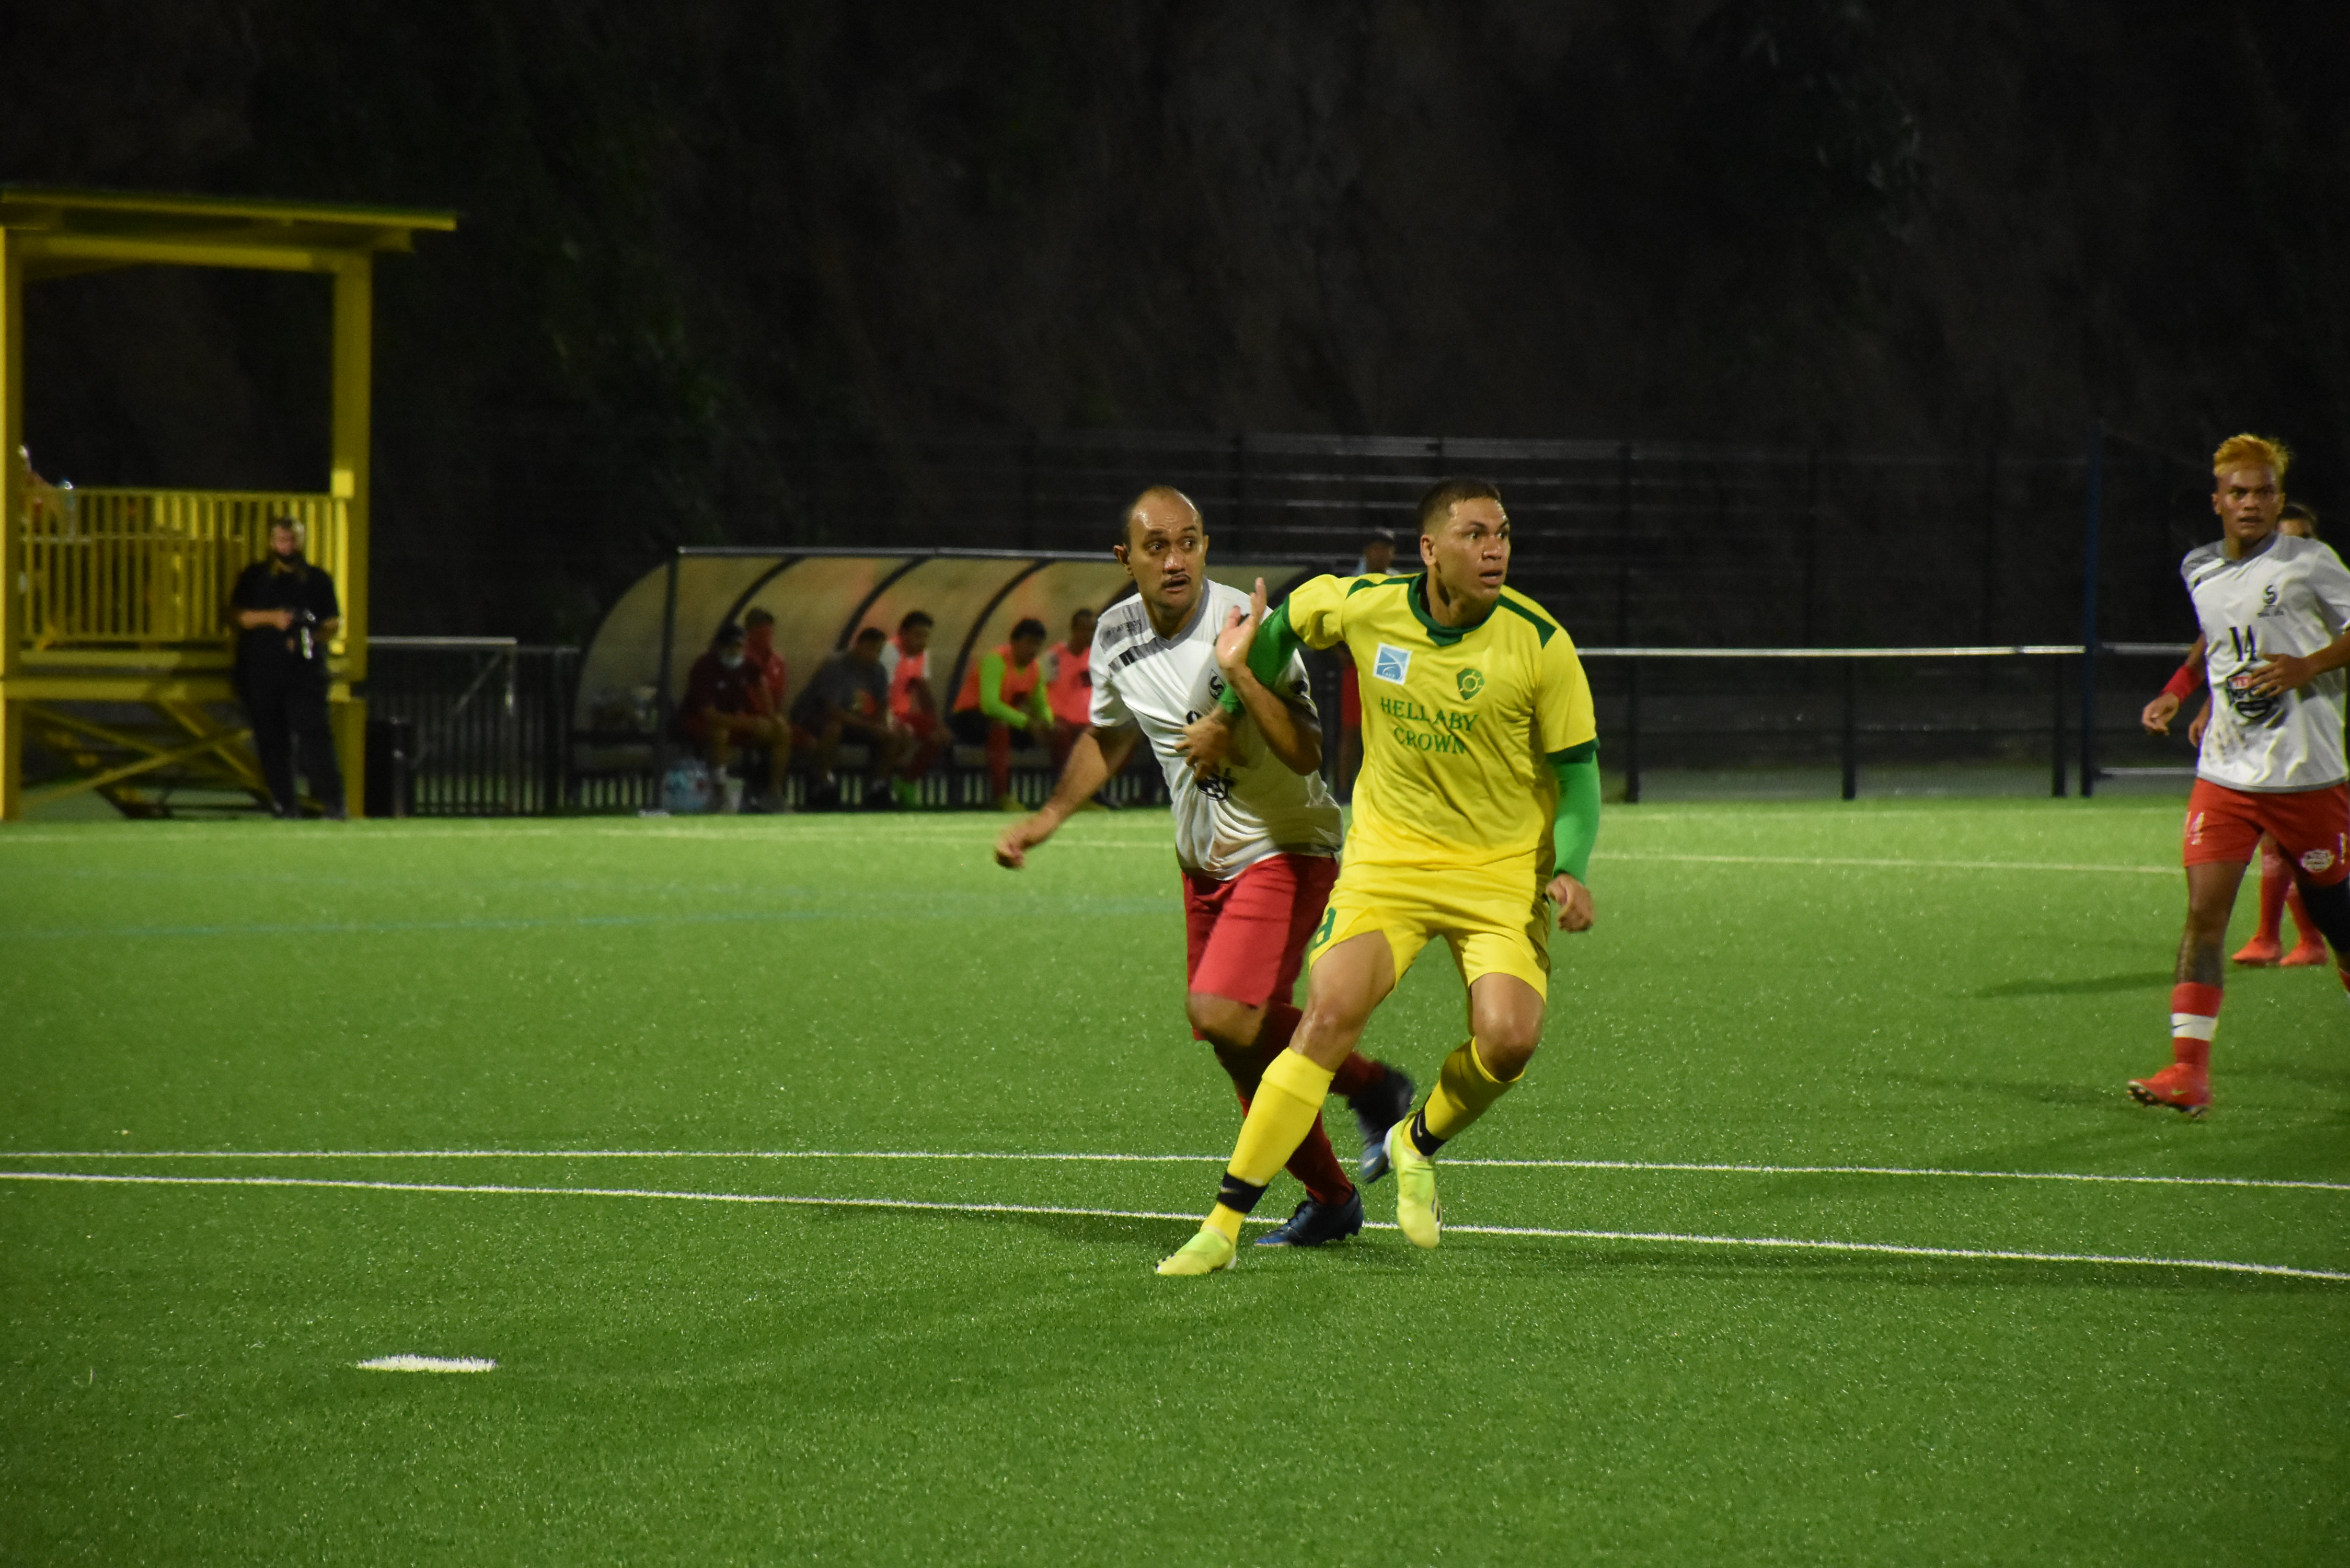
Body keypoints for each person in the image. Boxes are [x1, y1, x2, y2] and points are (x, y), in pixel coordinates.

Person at [1157, 477, 1601, 1275]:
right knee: (1327, 1017)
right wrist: (1230, 698)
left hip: (1499, 875)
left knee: (1508, 1040)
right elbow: (1286, 620)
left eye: (1501, 533)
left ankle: (1415, 1139)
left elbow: (1579, 778)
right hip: (1388, 864)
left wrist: (1568, 868)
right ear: (1430, 550)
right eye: (1473, 534)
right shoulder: (1365, 605)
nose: (1494, 548)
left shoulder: (1541, 643)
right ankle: (1221, 1226)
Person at [994, 486, 1414, 1247]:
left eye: (1189, 542)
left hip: (1284, 847)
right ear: (1125, 559)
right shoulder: (1116, 632)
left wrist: (1238, 700)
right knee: (1239, 1043)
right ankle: (1331, 1196)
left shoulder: (1245, 627)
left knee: (1224, 1014)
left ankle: (1373, 1085)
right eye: (1156, 546)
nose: (1175, 558)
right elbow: (1109, 734)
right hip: (1203, 865)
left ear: (1207, 548)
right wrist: (1050, 817)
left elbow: (1309, 750)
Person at [2128, 436, 2350, 1119]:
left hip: (2307, 777)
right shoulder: (2198, 567)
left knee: (2339, 921)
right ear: (2218, 500)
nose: (2251, 503)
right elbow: (2215, 640)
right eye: (2239, 492)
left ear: (2278, 499)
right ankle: (2187, 1073)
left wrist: (2306, 667)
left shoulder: (2311, 561)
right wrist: (2178, 691)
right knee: (2202, 917)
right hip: (2225, 772)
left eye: (2263, 492)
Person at [2141, 502, 2325, 965]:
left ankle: (2306, 938)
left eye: (2299, 539)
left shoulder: (2319, 592)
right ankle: (2283, 938)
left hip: (2320, 734)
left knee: (2311, 852)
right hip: (2265, 737)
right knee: (2276, 837)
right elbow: (2221, 652)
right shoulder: (2246, 592)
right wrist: (2192, 699)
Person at [228, 516, 347, 818]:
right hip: (262, 670)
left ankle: (334, 806)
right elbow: (240, 617)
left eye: (293, 540)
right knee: (271, 740)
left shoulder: (317, 579)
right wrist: (273, 618)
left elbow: (333, 621)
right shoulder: (255, 577)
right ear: (271, 542)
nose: (287, 546)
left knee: (315, 737)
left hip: (305, 672)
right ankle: (285, 806)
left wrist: (312, 634)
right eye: (282, 540)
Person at [790, 626, 908, 809]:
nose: (874, 655)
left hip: (853, 722)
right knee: (834, 728)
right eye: (870, 649)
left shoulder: (878, 671)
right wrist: (871, 727)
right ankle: (823, 784)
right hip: (815, 720)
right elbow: (832, 711)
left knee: (891, 736)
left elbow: (882, 704)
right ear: (858, 646)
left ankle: (878, 788)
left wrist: (882, 726)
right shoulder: (836, 666)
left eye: (878, 651)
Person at [675, 621, 789, 811]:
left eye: (740, 646)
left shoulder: (749, 661)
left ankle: (774, 794)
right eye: (731, 646)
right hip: (701, 722)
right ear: (719, 647)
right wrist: (751, 724)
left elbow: (760, 681)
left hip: (738, 720)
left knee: (782, 731)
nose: (736, 651)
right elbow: (710, 716)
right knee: (720, 733)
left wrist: (772, 716)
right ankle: (720, 795)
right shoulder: (704, 668)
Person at [952, 617, 1054, 810]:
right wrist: (1028, 723)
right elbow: (989, 705)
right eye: (1029, 643)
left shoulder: (1035, 668)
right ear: (1014, 642)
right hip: (969, 719)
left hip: (1009, 723)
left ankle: (1070, 796)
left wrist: (1047, 723)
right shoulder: (995, 660)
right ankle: (1002, 796)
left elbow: (1041, 704)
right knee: (999, 725)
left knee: (1060, 731)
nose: (1033, 650)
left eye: (1038, 644)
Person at [1337, 528, 1398, 800]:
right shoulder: (1352, 584)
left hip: (1391, 661)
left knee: (1390, 727)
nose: (1382, 553)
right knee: (1352, 730)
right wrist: (1342, 655)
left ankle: (1385, 790)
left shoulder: (1399, 583)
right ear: (1367, 551)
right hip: (1359, 662)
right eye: (1377, 548)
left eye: (1387, 548)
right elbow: (1333, 623)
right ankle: (1342, 790)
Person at [878, 609, 942, 803]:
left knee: (941, 737)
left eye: (926, 636)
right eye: (917, 635)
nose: (922, 641)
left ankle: (907, 780)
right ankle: (882, 785)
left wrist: (937, 723)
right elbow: (881, 694)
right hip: (882, 714)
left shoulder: (922, 654)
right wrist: (893, 722)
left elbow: (923, 691)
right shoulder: (889, 651)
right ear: (902, 634)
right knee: (898, 735)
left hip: (902, 715)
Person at [1044, 607, 1099, 773]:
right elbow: (1039, 691)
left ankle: (1093, 790)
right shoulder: (1055, 656)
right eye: (1085, 630)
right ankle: (1065, 788)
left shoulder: (1096, 658)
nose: (1089, 635)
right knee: (1063, 734)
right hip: (1060, 720)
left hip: (1088, 722)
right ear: (1074, 629)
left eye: (1092, 630)